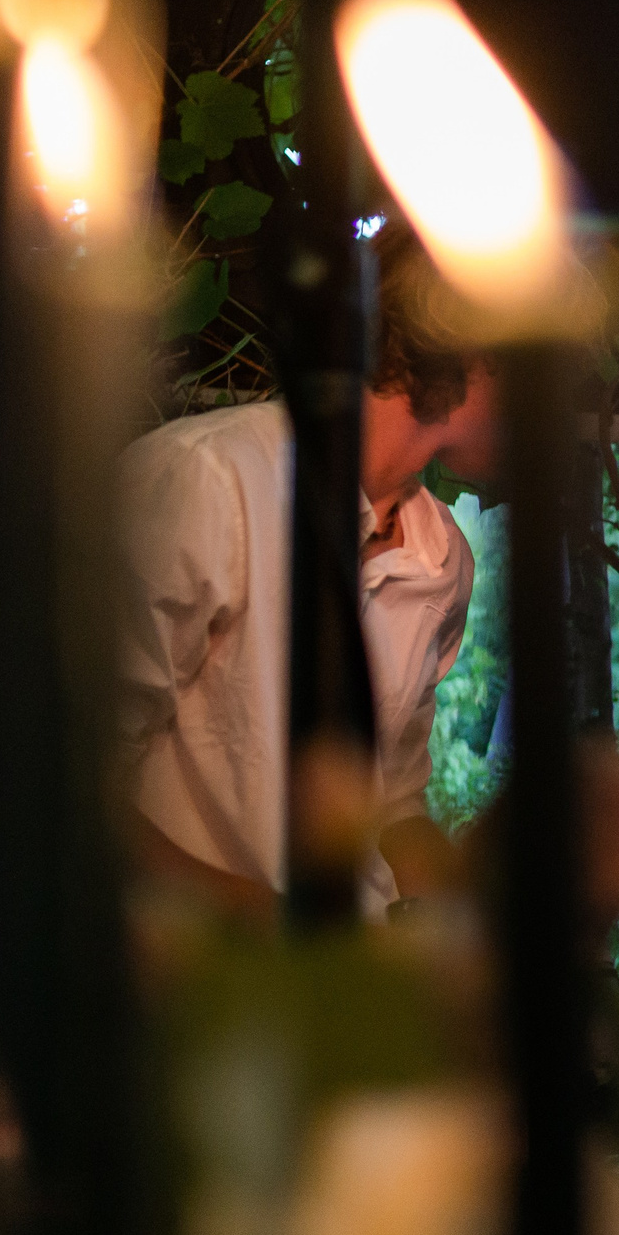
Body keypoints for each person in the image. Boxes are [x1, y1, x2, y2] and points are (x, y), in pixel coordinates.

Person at [118, 225, 497, 923]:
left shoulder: (444, 560)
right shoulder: (205, 484)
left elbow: (391, 804)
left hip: (341, 1002)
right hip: (175, 1001)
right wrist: (258, 923)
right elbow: (54, 779)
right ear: (473, 351)